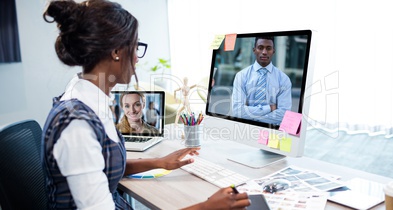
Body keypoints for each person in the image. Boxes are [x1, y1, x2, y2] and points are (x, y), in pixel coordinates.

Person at [41, 0, 250, 209]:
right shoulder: (77, 124)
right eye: (136, 47)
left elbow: (101, 166)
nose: (137, 59)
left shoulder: (89, 97)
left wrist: (159, 162)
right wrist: (207, 207)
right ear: (116, 51)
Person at [231, 36, 292, 125]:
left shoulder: (284, 79)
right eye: (260, 48)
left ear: (273, 51)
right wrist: (269, 108)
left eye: (268, 48)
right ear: (254, 50)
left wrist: (249, 116)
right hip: (244, 130)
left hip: (271, 132)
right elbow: (237, 112)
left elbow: (283, 114)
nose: (264, 52)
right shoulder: (241, 76)